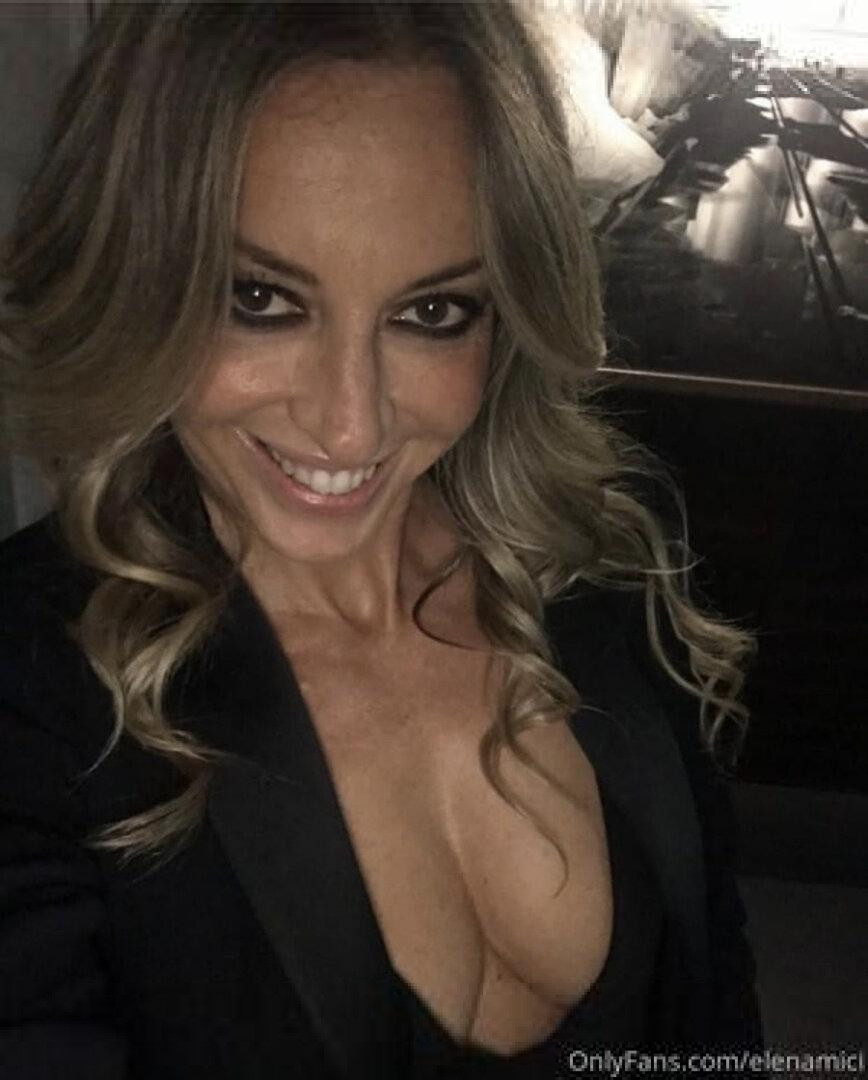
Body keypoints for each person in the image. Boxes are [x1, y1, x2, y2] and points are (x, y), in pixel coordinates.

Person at [0, 3, 764, 1078]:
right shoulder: (30, 696)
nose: (351, 425)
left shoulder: (599, 571)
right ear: (136, 276)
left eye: (432, 313)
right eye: (259, 298)